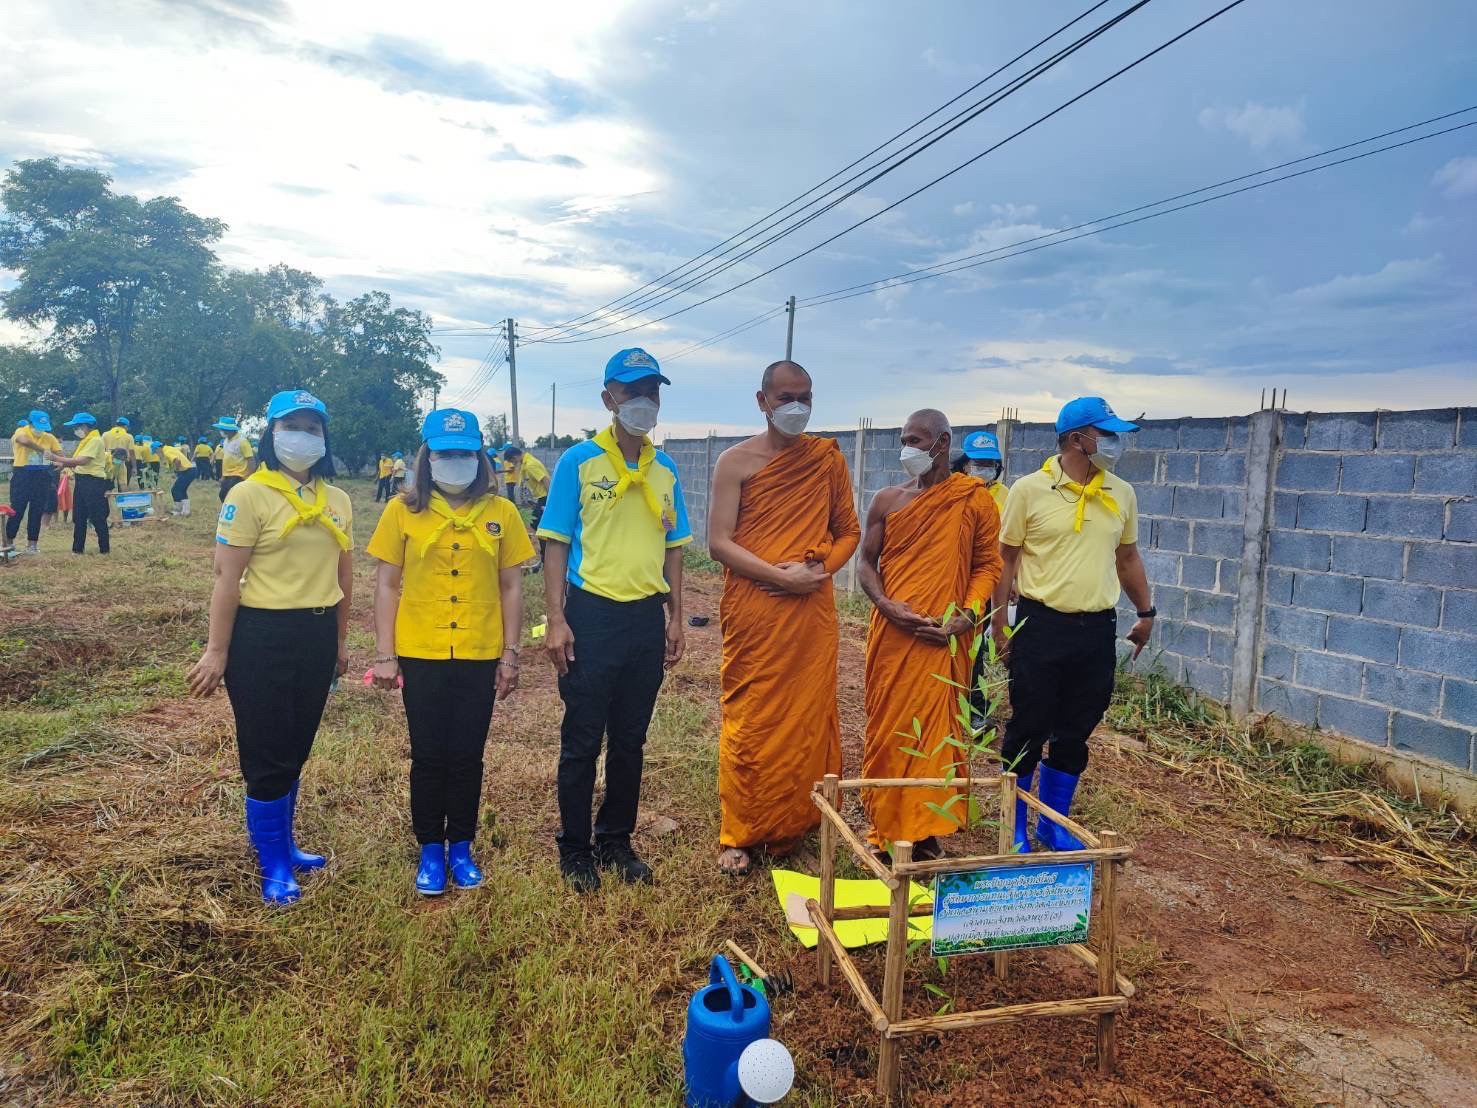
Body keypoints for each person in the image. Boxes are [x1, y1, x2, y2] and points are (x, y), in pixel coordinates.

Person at [187, 389, 352, 905]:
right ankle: (274, 864)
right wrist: (218, 650)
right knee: (265, 752)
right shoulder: (249, 495)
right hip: (261, 637)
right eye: (292, 425)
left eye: (313, 427)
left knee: (296, 745)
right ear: (272, 433)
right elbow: (225, 578)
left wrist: (340, 643)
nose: (303, 435)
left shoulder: (338, 501)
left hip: (317, 633)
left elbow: (345, 576)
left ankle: (286, 844)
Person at [536, 348, 691, 893]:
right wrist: (556, 618)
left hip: (645, 620)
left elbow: (673, 546)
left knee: (630, 740)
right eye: (633, 392)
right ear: (609, 399)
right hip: (592, 615)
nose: (644, 402)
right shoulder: (578, 463)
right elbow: (554, 544)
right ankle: (575, 849)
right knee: (582, 740)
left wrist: (675, 617)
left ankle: (617, 841)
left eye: (653, 391)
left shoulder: (665, 469)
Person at [368, 409, 535, 895]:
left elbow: (510, 588)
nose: (455, 461)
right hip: (421, 649)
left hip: (480, 649)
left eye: (464, 453)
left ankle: (461, 846)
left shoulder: (501, 513)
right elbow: (386, 584)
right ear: (427, 456)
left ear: (479, 457)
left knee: (467, 755)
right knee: (428, 754)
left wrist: (510, 654)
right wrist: (385, 653)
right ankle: (429, 851)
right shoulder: (403, 509)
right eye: (445, 453)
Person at [707, 360, 860, 877]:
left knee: (805, 719)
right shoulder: (735, 461)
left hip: (810, 611)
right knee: (752, 718)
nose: (797, 407)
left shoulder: (826, 460)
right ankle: (742, 830)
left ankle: (793, 823)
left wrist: (818, 570)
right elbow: (719, 542)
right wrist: (778, 575)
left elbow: (848, 533)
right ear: (762, 401)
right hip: (756, 609)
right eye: (786, 397)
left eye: (807, 397)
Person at [992, 397, 1153, 853]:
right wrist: (1001, 624)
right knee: (1029, 724)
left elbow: (1127, 557)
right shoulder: (1029, 490)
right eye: (1105, 433)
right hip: (1041, 625)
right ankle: (1015, 824)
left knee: (1077, 727)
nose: (1113, 442)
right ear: (1076, 439)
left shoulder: (1121, 493)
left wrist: (1146, 613)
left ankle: (1052, 822)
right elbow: (1006, 560)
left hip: (1096, 630)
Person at [858, 410, 1003, 862]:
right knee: (892, 729)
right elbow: (866, 562)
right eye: (904, 440)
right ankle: (888, 825)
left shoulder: (974, 500)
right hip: (895, 636)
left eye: (916, 440)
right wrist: (885, 604)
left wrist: (970, 611)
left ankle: (922, 833)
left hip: (945, 640)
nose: (908, 449)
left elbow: (988, 566)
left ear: (942, 443)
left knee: (937, 733)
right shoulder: (887, 500)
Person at [956, 430, 1009, 728]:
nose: (984, 468)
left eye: (991, 462)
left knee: (976, 646)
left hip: (986, 581)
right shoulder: (951, 491)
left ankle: (974, 708)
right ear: (965, 464)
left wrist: (1010, 581)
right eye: (978, 462)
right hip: (952, 579)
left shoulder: (1006, 496)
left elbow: (1012, 546)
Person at [6, 411, 62, 555]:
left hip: (42, 475)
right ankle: (8, 543)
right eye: (38, 426)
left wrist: (59, 462)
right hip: (22, 475)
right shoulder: (21, 431)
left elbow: (60, 455)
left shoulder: (49, 437)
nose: (40, 429)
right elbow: (24, 441)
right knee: (16, 510)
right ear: (30, 423)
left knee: (37, 510)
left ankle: (32, 545)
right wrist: (43, 451)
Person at [56, 412, 111, 554]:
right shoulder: (86, 440)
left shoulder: (95, 440)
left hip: (93, 482)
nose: (75, 430)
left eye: (77, 427)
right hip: (82, 480)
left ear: (85, 426)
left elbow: (83, 460)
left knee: (97, 516)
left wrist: (58, 458)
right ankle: (77, 549)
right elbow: (77, 462)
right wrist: (63, 465)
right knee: (79, 516)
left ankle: (104, 549)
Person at [213, 416, 255, 501]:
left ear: (231, 429)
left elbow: (250, 460)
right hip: (228, 475)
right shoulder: (226, 441)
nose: (222, 431)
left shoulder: (242, 441)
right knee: (223, 495)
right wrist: (223, 477)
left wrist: (250, 477)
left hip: (239, 474)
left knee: (226, 495)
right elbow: (226, 461)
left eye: (223, 428)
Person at [161, 438, 197, 516]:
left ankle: (178, 510)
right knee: (182, 490)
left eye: (156, 452)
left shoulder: (166, 452)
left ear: (158, 448)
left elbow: (177, 461)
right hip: (191, 469)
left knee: (175, 490)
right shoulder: (170, 448)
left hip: (187, 471)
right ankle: (186, 511)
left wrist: (176, 470)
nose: (157, 454)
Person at [104, 417, 134, 490]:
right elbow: (132, 452)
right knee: (121, 484)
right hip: (118, 462)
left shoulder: (105, 434)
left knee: (107, 486)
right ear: (126, 426)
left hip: (110, 462)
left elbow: (102, 449)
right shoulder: (129, 436)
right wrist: (134, 467)